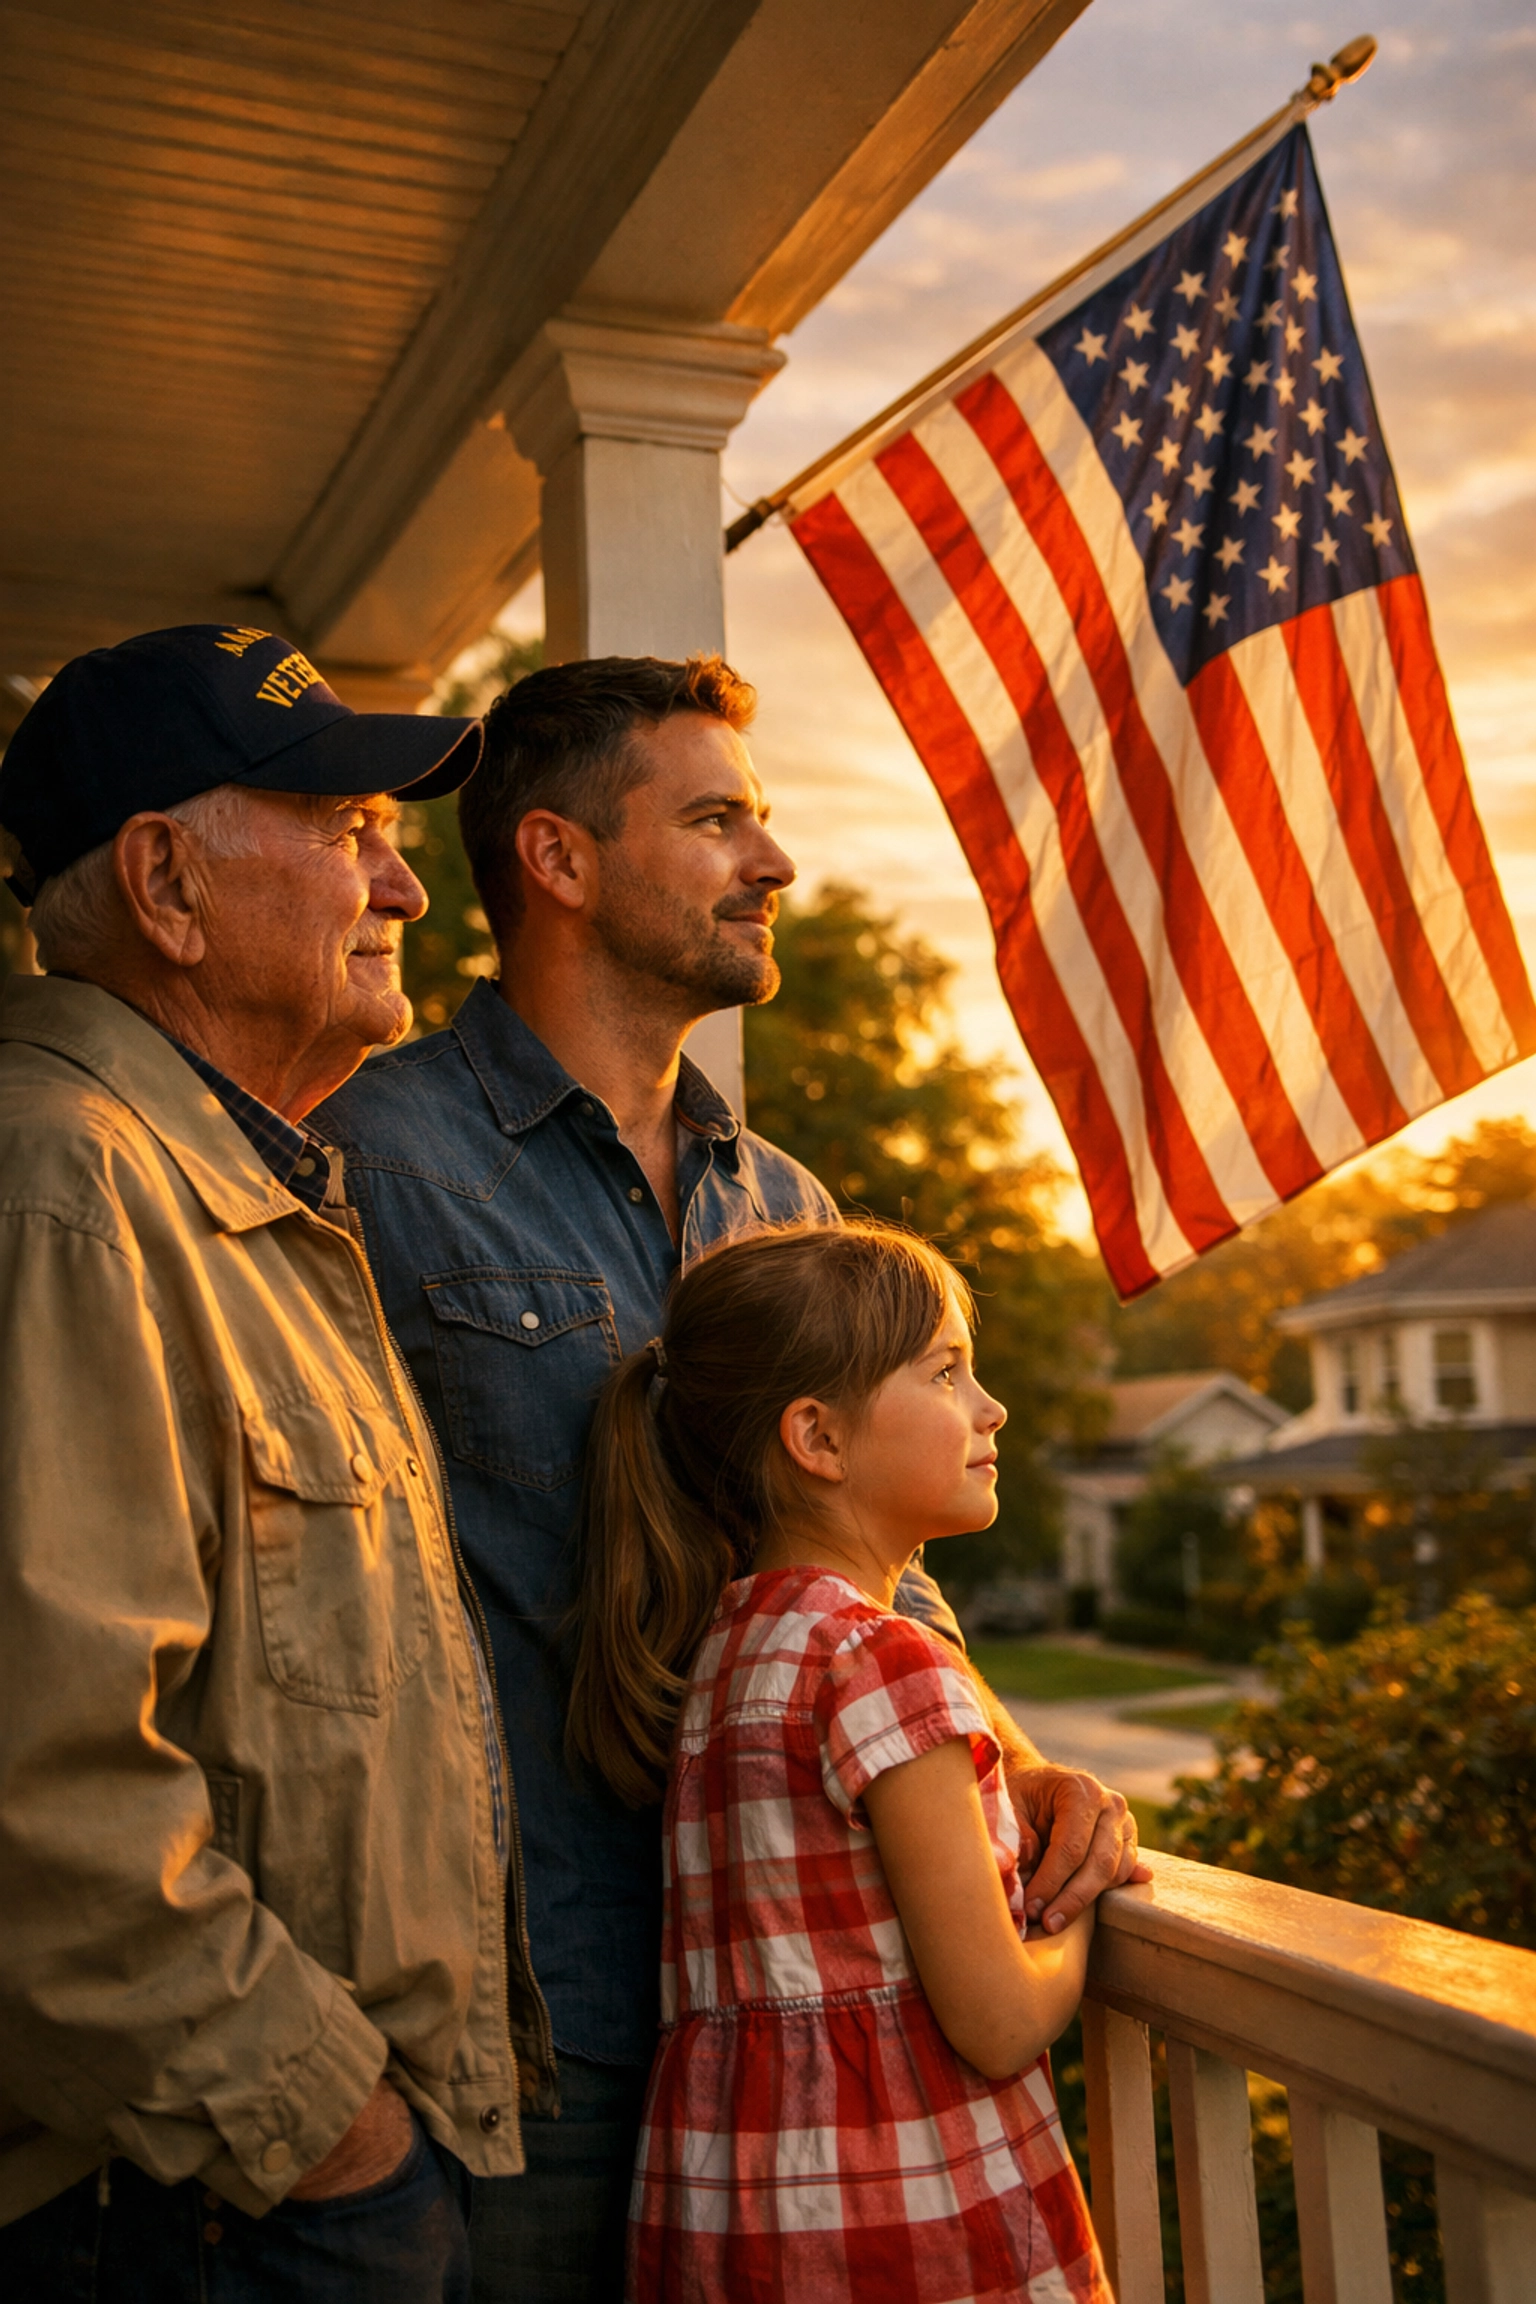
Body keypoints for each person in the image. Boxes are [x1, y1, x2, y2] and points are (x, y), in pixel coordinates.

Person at [314, 653, 1144, 2302]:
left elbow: (875, 1571)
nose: (774, 863)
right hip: (521, 2039)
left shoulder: (783, 1201)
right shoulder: (362, 1162)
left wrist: (1025, 1763)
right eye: (715, 821)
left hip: (821, 2020)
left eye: (759, 820)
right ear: (555, 858)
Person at [0, 625, 522, 2301]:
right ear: (165, 880)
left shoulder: (219, 1188)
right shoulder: (65, 1186)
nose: (409, 892)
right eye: (350, 830)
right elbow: (47, 1791)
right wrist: (335, 2131)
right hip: (195, 2196)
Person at [570, 1218, 1115, 2302]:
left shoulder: (730, 1645)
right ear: (817, 1440)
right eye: (948, 1374)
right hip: (897, 2219)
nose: (990, 1407)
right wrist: (1081, 1905)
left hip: (735, 2202)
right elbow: (1000, 2019)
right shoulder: (882, 1659)